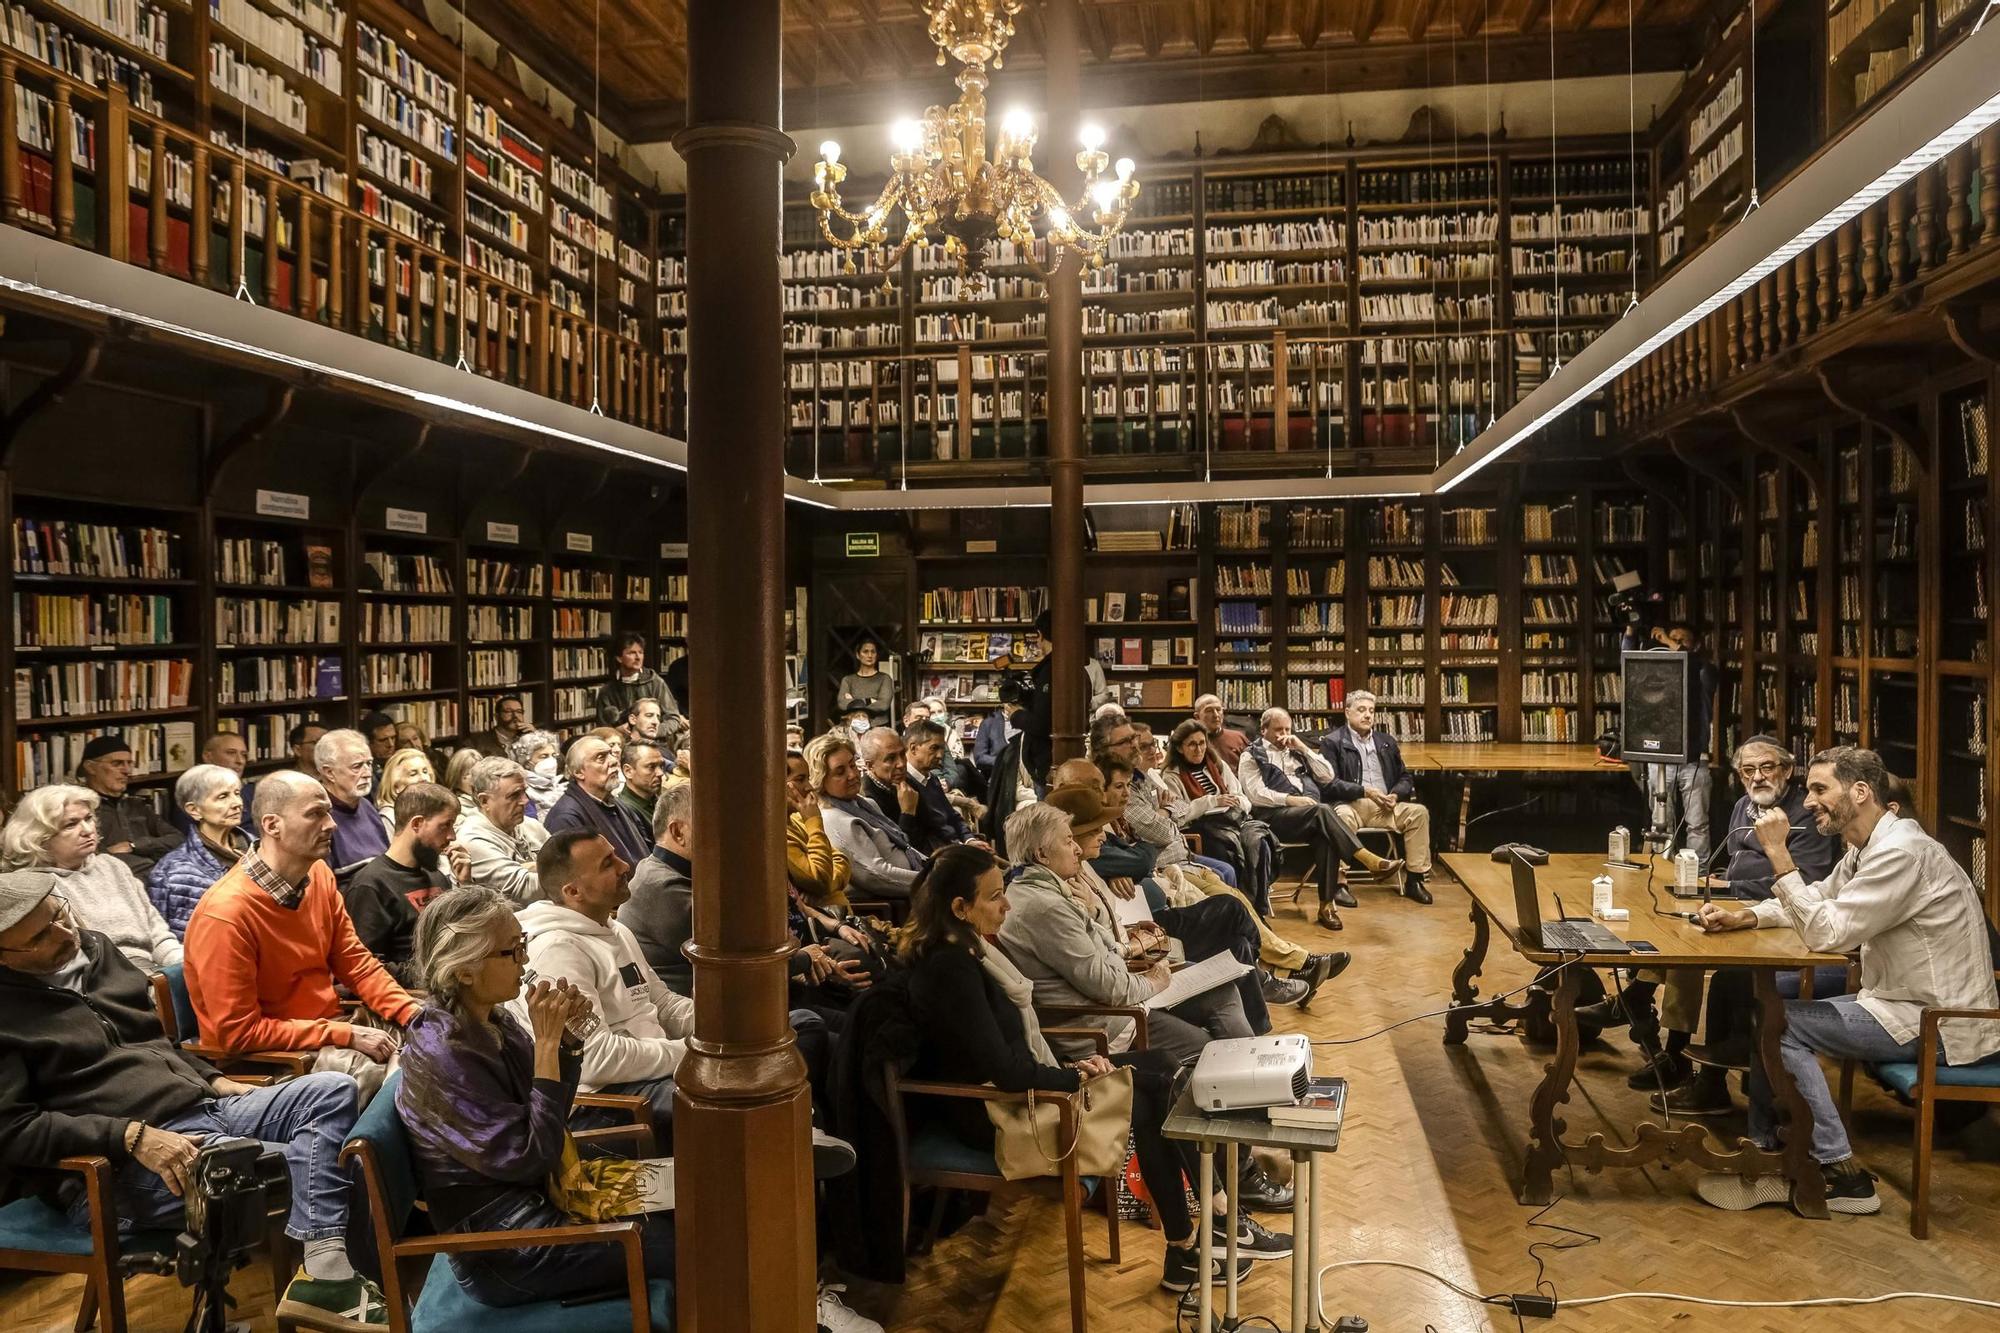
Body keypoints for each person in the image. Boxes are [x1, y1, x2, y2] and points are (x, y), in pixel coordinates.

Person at [0, 869, 388, 1329]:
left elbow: (154, 1040)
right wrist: (129, 1135)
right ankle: (338, 1283)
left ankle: (326, 1271)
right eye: (41, 936)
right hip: (123, 1164)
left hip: (204, 1106)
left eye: (60, 914)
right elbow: (13, 1130)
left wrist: (213, 1080)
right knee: (331, 1166)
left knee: (331, 1089)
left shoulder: (97, 949)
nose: (64, 932)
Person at [902, 846, 1285, 1294]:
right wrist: (1075, 1076)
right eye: (994, 897)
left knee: (1162, 1069)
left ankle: (1202, 1233)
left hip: (1023, 1084)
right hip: (992, 1113)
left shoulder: (972, 951)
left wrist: (1072, 1067)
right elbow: (1003, 1070)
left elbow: (1011, 1051)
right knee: (1159, 1084)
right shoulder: (952, 969)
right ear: (960, 908)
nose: (1006, 904)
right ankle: (1210, 1224)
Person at [1692, 746, 2000, 1216]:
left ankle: (1841, 1173)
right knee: (1768, 1014)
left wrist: (1777, 851)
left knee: (1782, 1025)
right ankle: (1768, 1154)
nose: (1809, 801)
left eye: (1819, 789)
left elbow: (1825, 932)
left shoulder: (1903, 854)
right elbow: (1817, 899)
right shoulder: (1868, 848)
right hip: (1895, 1003)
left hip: (1938, 1022)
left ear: (1859, 793)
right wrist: (1747, 917)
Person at [996, 800, 1291, 1210]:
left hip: (1121, 1006)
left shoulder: (1056, 888)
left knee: (1225, 990)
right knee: (1212, 1053)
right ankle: (1237, 1168)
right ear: (1042, 854)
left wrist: (1142, 957)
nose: (1079, 849)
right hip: (1105, 1027)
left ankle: (1248, 1128)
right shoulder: (1043, 906)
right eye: (1069, 841)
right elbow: (1109, 984)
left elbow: (1107, 950)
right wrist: (1156, 978)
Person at [396, 886, 677, 1310]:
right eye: (511, 952)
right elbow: (532, 1155)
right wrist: (547, 1046)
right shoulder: (442, 1052)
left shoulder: (493, 1019)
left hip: (535, 1197)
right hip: (505, 1246)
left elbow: (551, 1115)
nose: (524, 962)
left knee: (696, 1193)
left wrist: (566, 1042)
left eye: (522, 946)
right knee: (688, 1238)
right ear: (464, 970)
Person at [1595, 735, 1845, 1112]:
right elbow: (1739, 861)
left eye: (1767, 767)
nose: (1757, 777)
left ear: (1788, 771)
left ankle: (1643, 1013)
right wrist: (1724, 882)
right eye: (1748, 770)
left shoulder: (1807, 814)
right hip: (1747, 901)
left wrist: (1732, 885)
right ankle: (1672, 1051)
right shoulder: (1745, 806)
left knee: (1704, 950)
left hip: (1785, 914)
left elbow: (1806, 879)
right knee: (1683, 931)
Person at [184, 771, 420, 1105]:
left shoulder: (318, 873)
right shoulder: (225, 915)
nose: (331, 824)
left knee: (447, 1031)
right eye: (315, 814)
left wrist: (410, 1012)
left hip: (328, 1029)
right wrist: (344, 1033)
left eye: (328, 812)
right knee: (407, 1079)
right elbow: (238, 1034)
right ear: (272, 825)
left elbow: (356, 962)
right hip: (274, 1057)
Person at [1098, 750, 1344, 1009]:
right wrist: (1150, 838)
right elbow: (1150, 849)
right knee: (1231, 905)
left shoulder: (1142, 790)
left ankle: (1267, 991)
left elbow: (1178, 814)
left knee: (1237, 922)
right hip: (1152, 910)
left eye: (1127, 785)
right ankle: (1287, 968)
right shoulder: (1104, 821)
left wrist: (1160, 822)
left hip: (1174, 871)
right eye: (1119, 786)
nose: (1126, 792)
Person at [512, 830, 693, 1136]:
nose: (625, 866)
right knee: (720, 1096)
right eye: (608, 864)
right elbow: (596, 1059)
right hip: (605, 1099)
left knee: (797, 1029)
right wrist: (691, 1051)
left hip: (654, 1073)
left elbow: (662, 1004)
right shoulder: (558, 950)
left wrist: (721, 1028)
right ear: (573, 891)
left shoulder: (616, 929)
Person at [1238, 708, 1400, 931]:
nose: (1283, 735)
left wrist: (1303, 747)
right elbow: (1255, 794)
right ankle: (1369, 860)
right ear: (1264, 730)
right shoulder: (1251, 754)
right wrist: (1292, 801)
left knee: (1327, 835)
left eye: (1287, 729)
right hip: (1273, 818)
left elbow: (1328, 776)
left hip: (1308, 817)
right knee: (1323, 812)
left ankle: (1327, 905)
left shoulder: (1296, 750)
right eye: (1278, 730)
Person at [0, 786, 182, 973]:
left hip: (152, 971)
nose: (87, 830)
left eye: (88, 818)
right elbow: (69, 961)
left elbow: (158, 933)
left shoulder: (112, 866)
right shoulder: (31, 886)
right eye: (70, 824)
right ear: (39, 837)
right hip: (96, 982)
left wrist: (181, 965)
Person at [343, 783, 464, 988]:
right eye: (445, 825)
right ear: (417, 823)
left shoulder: (437, 877)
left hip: (448, 985)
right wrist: (433, 977)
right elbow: (362, 966)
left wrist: (464, 883)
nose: (452, 836)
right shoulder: (371, 885)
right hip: (411, 997)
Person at [1318, 690, 1434, 904]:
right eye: (1361, 710)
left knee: (1419, 813)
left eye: (1371, 711)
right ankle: (1339, 882)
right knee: (1340, 816)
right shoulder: (1332, 742)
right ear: (1347, 712)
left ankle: (1415, 880)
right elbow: (1329, 784)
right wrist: (1364, 791)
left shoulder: (1386, 741)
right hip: (1352, 804)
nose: (1368, 715)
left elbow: (1405, 777)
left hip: (1386, 806)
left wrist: (1395, 795)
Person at [1163, 720, 1277, 914]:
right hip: (1201, 826)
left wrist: (1236, 801)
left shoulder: (1217, 764)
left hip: (1234, 819)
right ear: (1180, 748)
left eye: (1202, 743)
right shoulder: (1171, 776)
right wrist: (1212, 801)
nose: (1199, 749)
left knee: (1258, 842)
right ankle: (1241, 909)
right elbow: (1180, 814)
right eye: (1192, 744)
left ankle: (1257, 907)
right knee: (1226, 849)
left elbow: (1242, 797)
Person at [1636, 623, 1720, 857]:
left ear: (1696, 646)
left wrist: (1671, 643)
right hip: (1661, 758)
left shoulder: (1704, 672)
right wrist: (1632, 632)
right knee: (1661, 823)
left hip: (1694, 758)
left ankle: (1698, 875)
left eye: (1683, 641)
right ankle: (1662, 869)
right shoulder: (1656, 677)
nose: (1675, 644)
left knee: (1697, 823)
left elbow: (1695, 663)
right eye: (1672, 639)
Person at [814, 732, 926, 900]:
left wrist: (937, 867)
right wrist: (933, 882)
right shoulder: (832, 818)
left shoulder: (866, 803)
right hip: (896, 903)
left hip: (917, 883)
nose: (852, 775)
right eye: (840, 771)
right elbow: (875, 875)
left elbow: (905, 846)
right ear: (821, 779)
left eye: (852, 765)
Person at [148, 764, 253, 939]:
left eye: (236, 793)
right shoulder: (171, 872)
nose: (237, 803)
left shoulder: (262, 850)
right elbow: (166, 938)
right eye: (222, 797)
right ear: (194, 810)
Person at [74, 735, 179, 881]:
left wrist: (135, 846)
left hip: (158, 875)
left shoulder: (136, 805)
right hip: (116, 881)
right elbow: (80, 856)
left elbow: (178, 839)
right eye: (117, 763)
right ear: (90, 767)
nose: (127, 770)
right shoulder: (80, 809)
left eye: (129, 763)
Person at [624, 782, 694, 993]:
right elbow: (740, 950)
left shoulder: (664, 868)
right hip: (686, 1013)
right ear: (678, 832)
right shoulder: (661, 885)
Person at [542, 735, 652, 866]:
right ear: (578, 772)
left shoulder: (618, 804)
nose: (613, 761)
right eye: (601, 758)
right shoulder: (564, 817)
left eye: (611, 754)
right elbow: (581, 874)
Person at [458, 757, 551, 906]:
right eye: (514, 795)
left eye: (524, 792)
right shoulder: (472, 840)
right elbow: (525, 890)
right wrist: (562, 870)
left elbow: (565, 860)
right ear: (484, 801)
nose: (525, 801)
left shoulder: (531, 826)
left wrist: (533, 868)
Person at [902, 718, 989, 854]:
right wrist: (961, 849)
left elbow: (952, 815)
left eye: (942, 748)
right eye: (934, 748)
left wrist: (969, 840)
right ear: (913, 748)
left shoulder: (932, 779)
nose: (940, 755)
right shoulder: (905, 786)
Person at [315, 729, 391, 869]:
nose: (367, 774)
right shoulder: (317, 817)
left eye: (369, 764)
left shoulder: (366, 806)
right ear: (329, 773)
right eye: (357, 767)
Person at [594, 632, 683, 730]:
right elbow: (602, 730)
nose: (638, 657)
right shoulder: (607, 691)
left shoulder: (655, 683)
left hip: (655, 742)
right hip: (621, 743)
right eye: (632, 653)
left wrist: (652, 731)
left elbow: (673, 719)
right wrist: (617, 732)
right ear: (619, 658)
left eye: (640, 652)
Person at [856, 727, 926, 847]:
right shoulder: (866, 799)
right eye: (890, 758)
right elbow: (899, 849)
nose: (901, 764)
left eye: (902, 754)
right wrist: (908, 813)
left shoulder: (907, 783)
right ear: (870, 765)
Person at [374, 748, 437, 841]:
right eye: (413, 774)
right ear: (396, 786)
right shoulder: (388, 819)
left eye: (425, 771)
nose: (424, 778)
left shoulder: (435, 812)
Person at [835, 637, 896, 728]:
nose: (870, 655)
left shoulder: (885, 678)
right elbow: (842, 704)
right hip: (853, 727)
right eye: (865, 651)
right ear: (858, 655)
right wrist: (870, 701)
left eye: (873, 652)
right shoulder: (848, 680)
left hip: (878, 727)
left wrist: (854, 702)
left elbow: (883, 705)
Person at [973, 678, 1026, 778]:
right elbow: (980, 758)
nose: (1013, 707)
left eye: (1018, 704)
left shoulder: (1029, 722)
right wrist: (1003, 761)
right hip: (998, 776)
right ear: (1003, 703)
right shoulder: (989, 723)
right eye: (1010, 704)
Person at [511, 730, 565, 820]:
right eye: (544, 756)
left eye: (553, 755)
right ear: (527, 762)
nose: (551, 760)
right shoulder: (522, 791)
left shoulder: (559, 786)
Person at [616, 741, 667, 832]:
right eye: (651, 767)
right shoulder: (626, 811)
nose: (660, 773)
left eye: (661, 766)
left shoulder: (659, 800)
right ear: (628, 771)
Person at [467, 693, 532, 760]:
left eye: (519, 711)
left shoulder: (529, 738)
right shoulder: (476, 743)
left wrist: (537, 737)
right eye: (508, 711)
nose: (515, 715)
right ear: (497, 717)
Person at [1193, 694, 1249, 770]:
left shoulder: (1238, 738)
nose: (1216, 715)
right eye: (1209, 711)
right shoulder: (1192, 742)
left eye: (1218, 709)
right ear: (1197, 716)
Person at [359, 711, 399, 786]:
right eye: (383, 740)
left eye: (393, 738)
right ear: (368, 743)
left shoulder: (400, 764)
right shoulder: (364, 773)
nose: (391, 744)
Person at [444, 748, 482, 822]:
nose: (474, 778)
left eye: (479, 772)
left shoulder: (489, 800)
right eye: (467, 774)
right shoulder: (455, 809)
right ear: (456, 778)